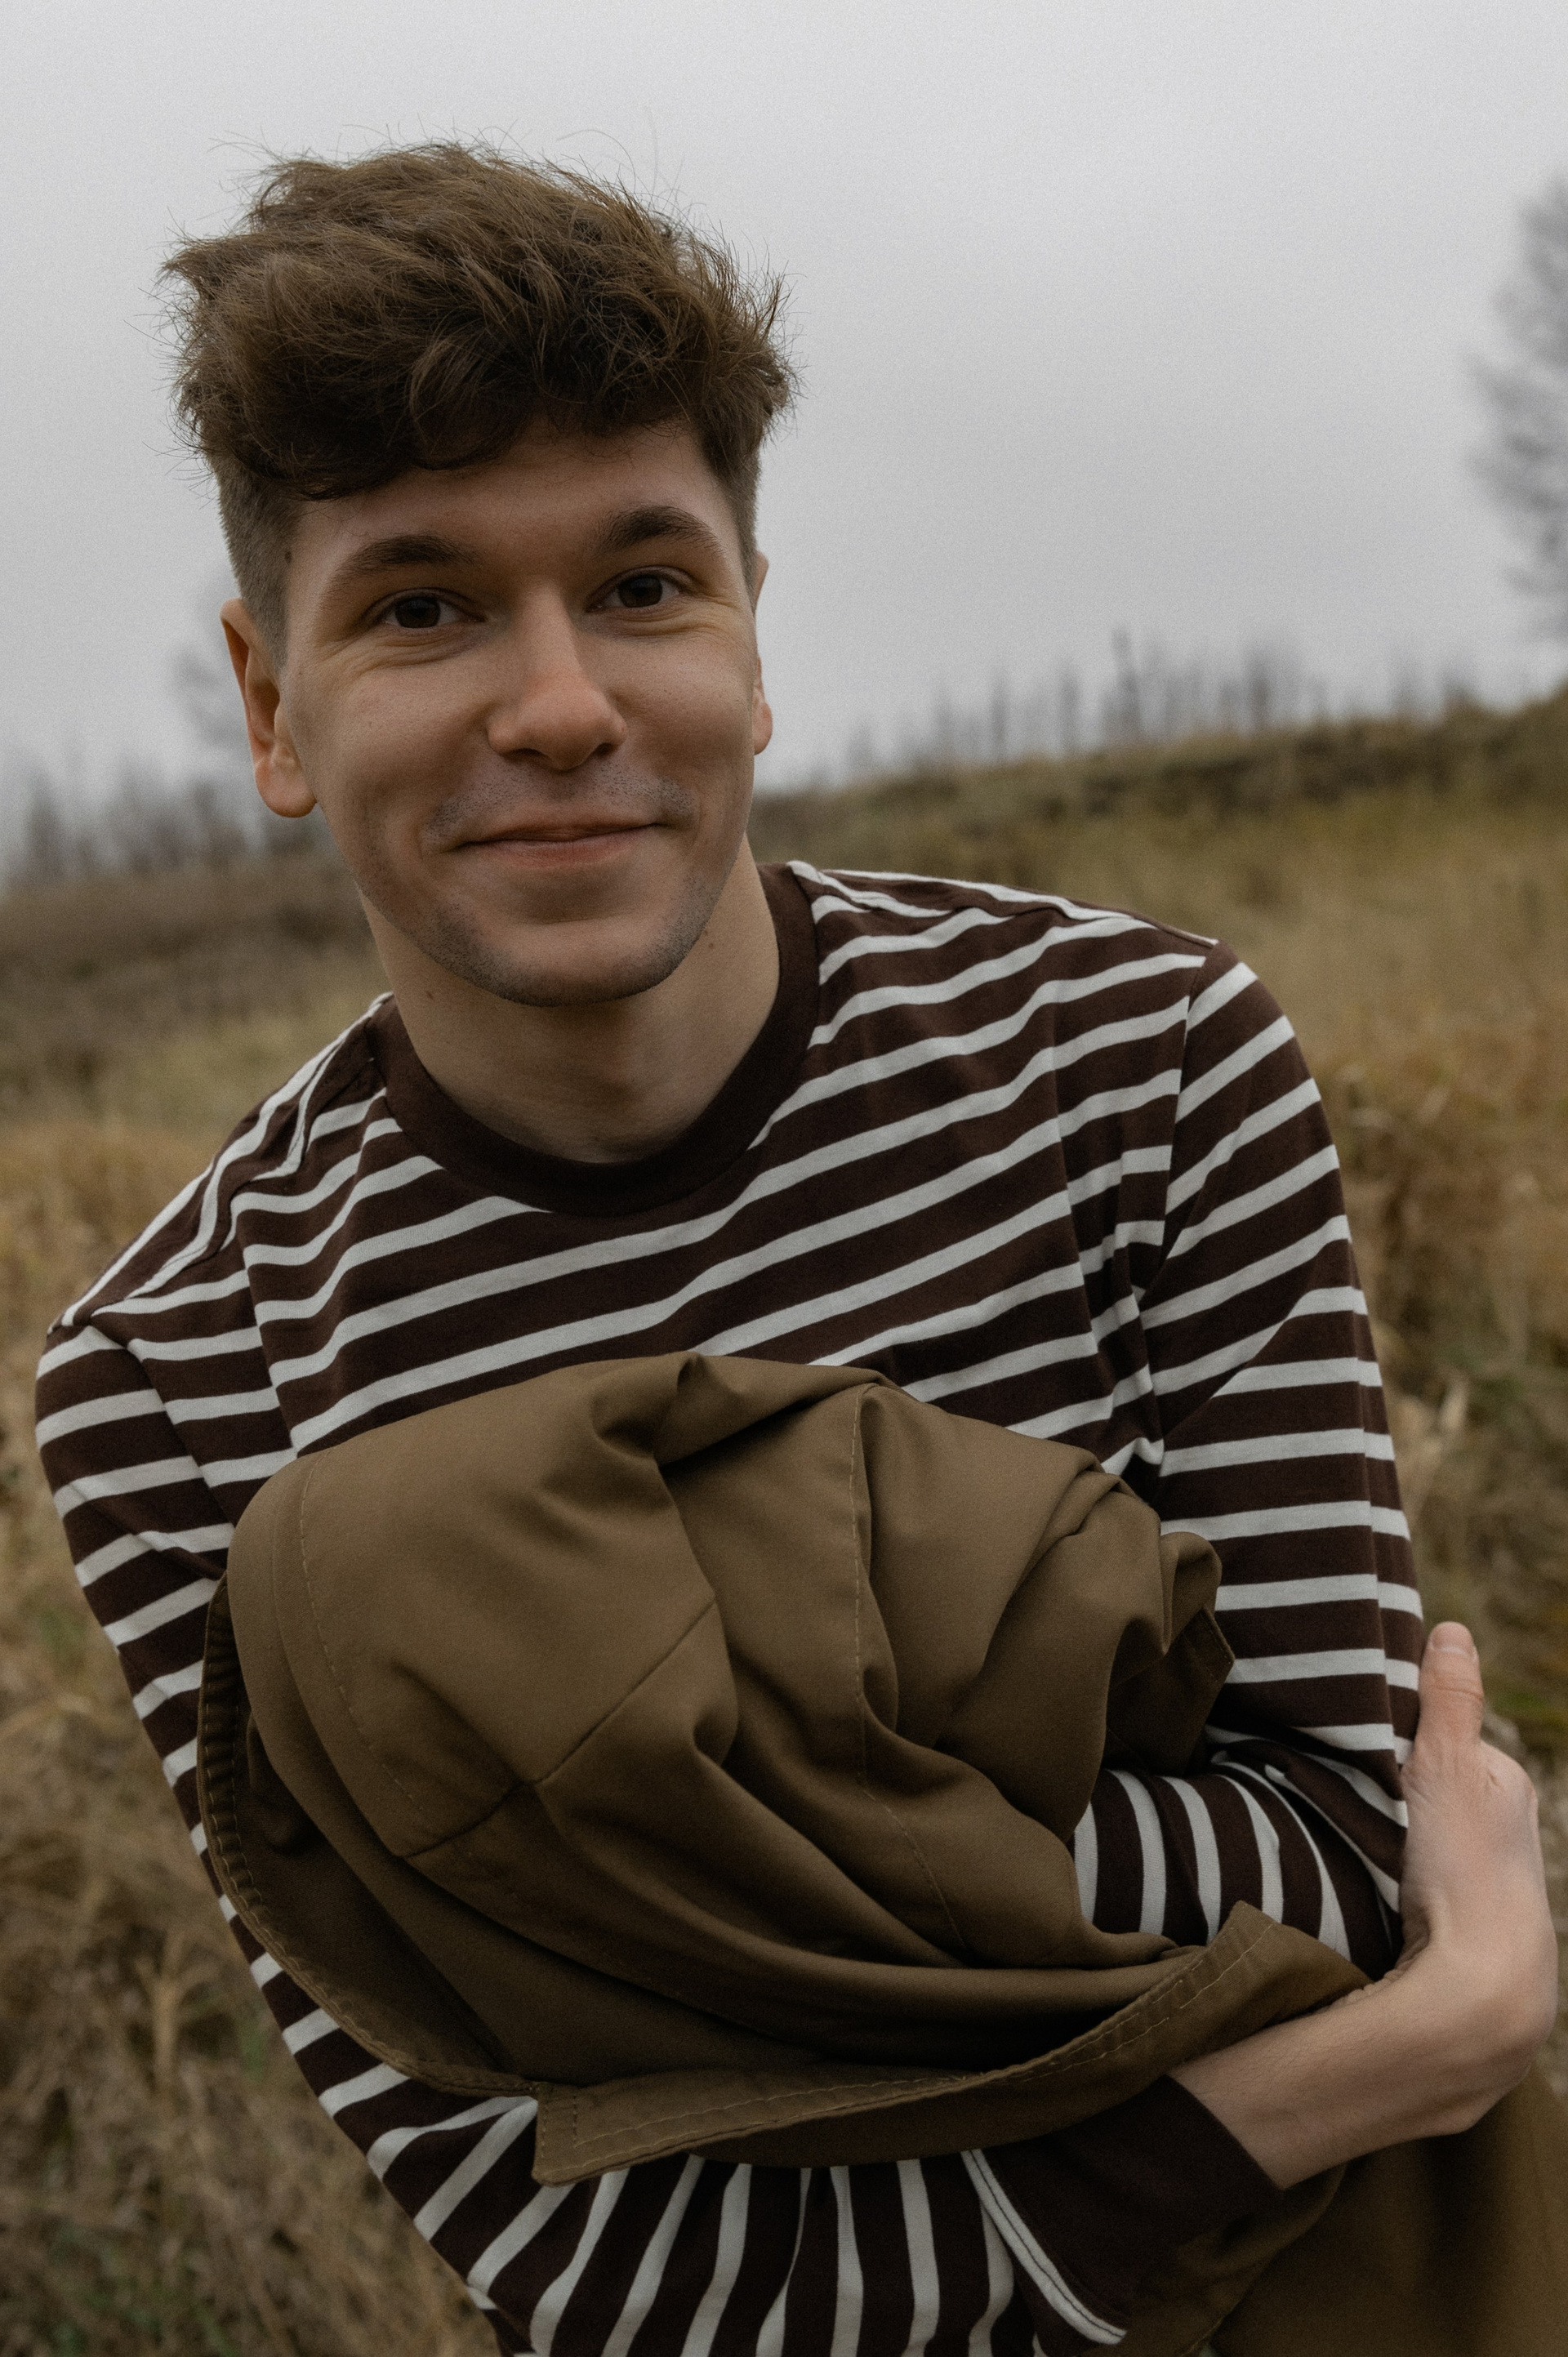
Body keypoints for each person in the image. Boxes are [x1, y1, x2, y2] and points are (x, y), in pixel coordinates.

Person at [37, 145, 1557, 2355]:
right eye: (423, 609)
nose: (561, 704)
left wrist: (662, 1916)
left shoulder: (1142, 1066)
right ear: (273, 706)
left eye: (642, 584)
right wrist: (1337, 2076)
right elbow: (582, 2260)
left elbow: (1333, 1858)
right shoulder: (182, 1380)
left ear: (753, 637)